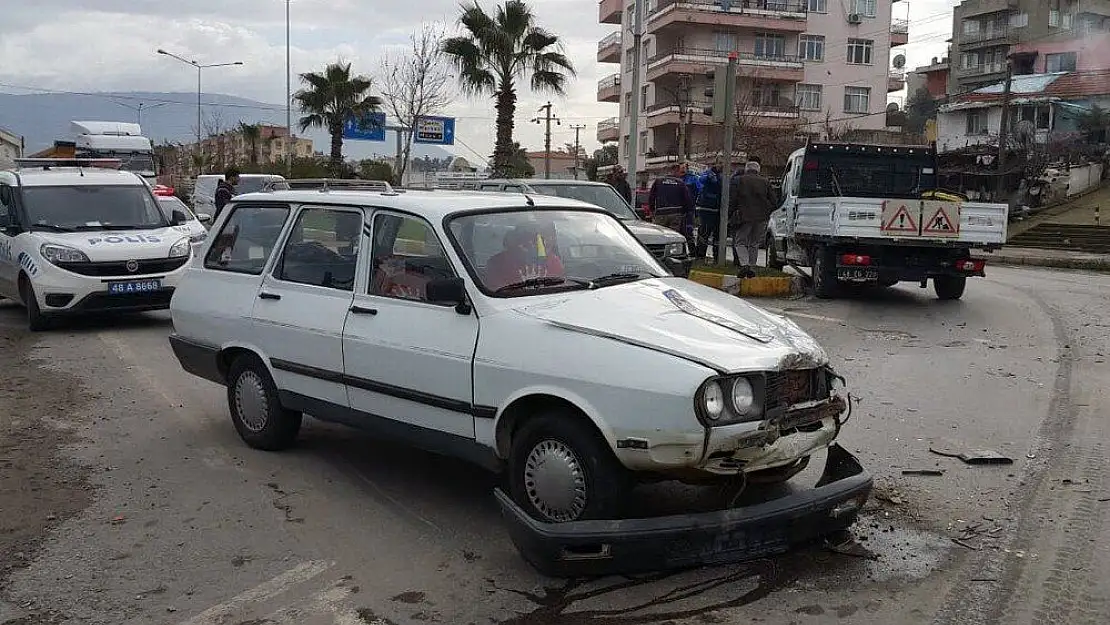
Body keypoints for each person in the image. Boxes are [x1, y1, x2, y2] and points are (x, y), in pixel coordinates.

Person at [728, 160, 779, 277]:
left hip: (743, 216)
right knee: (754, 243)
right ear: (758, 170)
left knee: (740, 241)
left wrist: (731, 214)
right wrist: (766, 211)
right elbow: (774, 202)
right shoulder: (765, 182)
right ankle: (752, 266)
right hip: (761, 218)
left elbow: (732, 199)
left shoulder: (738, 180)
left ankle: (744, 265)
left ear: (746, 169)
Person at [485, 225, 565, 291]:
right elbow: (495, 293)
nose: (531, 245)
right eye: (524, 241)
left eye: (535, 241)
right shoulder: (497, 263)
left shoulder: (553, 261)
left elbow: (560, 290)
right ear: (515, 242)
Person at [648, 164, 694, 245]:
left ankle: (659, 252)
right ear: (676, 171)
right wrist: (686, 212)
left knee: (659, 235)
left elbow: (651, 197)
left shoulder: (658, 181)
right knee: (673, 236)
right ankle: (672, 253)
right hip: (676, 214)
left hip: (661, 213)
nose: (680, 173)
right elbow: (687, 199)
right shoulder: (680, 183)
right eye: (679, 171)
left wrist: (651, 210)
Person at [694, 164, 723, 262]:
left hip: (712, 209)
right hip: (710, 209)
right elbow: (700, 181)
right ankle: (704, 256)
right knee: (708, 234)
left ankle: (710, 257)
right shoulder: (710, 175)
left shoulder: (719, 176)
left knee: (709, 234)